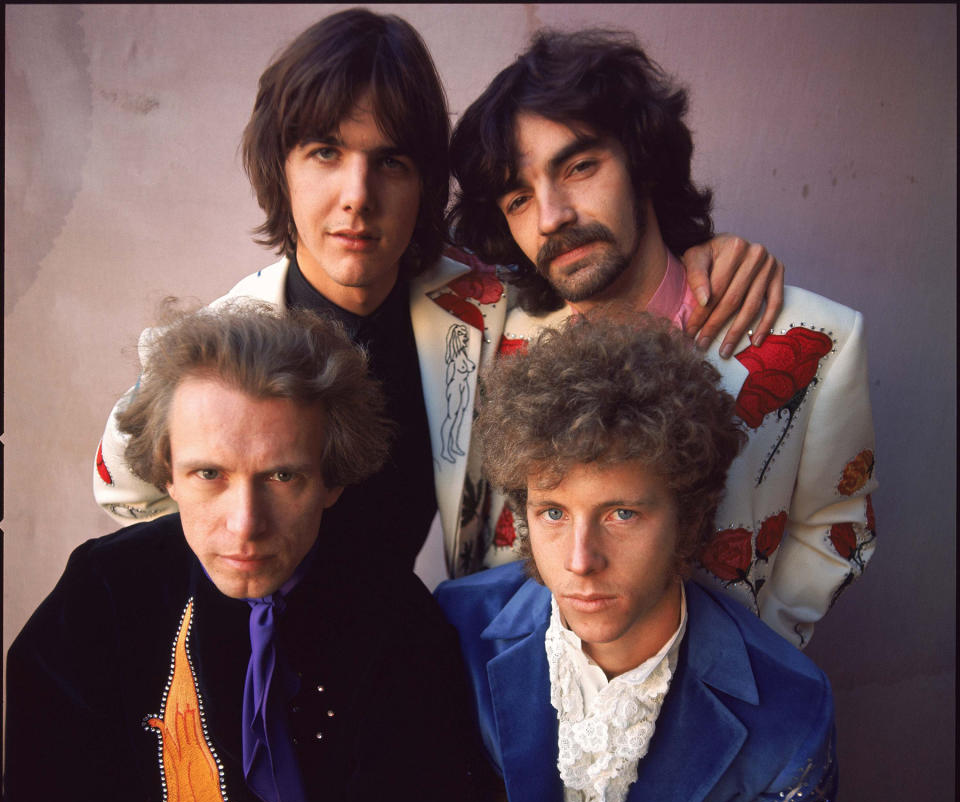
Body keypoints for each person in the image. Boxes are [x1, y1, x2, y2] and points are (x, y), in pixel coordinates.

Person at [94, 8, 785, 578]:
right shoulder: (218, 347)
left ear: (424, 180)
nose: (357, 198)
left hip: (422, 653)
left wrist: (708, 252)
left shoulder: (492, 304)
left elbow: (609, 278)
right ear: (281, 168)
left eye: (389, 161)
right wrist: (227, 576)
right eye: (326, 153)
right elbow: (120, 485)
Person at [4, 301, 479, 802]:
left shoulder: (400, 626)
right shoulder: (102, 596)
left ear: (331, 478)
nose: (245, 524)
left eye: (282, 476)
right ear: (168, 469)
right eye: (209, 475)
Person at [448, 28, 877, 646]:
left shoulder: (819, 342)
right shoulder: (496, 338)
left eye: (580, 167)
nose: (552, 217)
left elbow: (840, 526)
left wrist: (760, 653)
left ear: (643, 163)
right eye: (519, 198)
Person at [435, 314, 837, 802]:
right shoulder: (456, 628)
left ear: (689, 519)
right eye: (553, 512)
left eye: (622, 513)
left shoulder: (788, 710)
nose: (580, 559)